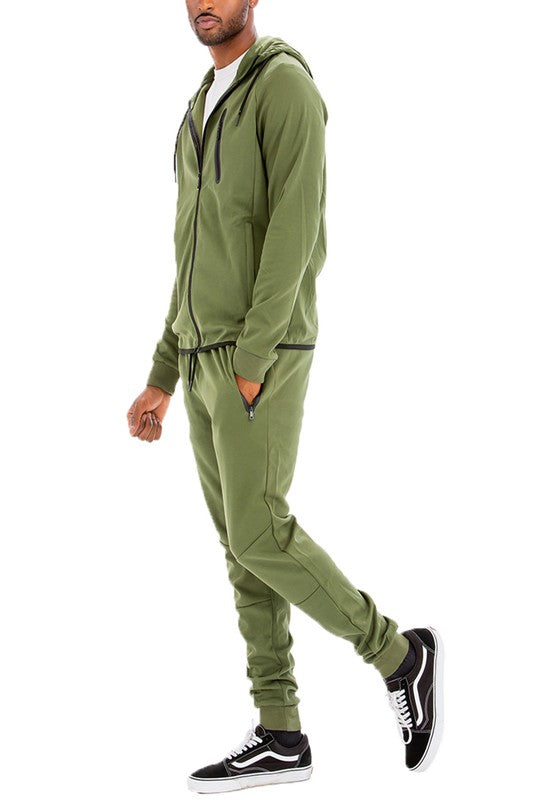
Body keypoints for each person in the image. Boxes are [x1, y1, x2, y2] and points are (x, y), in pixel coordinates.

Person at [127, 1, 444, 792]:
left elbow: (294, 232)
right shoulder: (198, 106)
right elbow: (190, 252)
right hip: (199, 356)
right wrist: (164, 373)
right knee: (241, 550)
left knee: (261, 534)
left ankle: (397, 654)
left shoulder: (284, 87)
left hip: (255, 354)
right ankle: (279, 731)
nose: (204, 3)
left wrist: (252, 356)